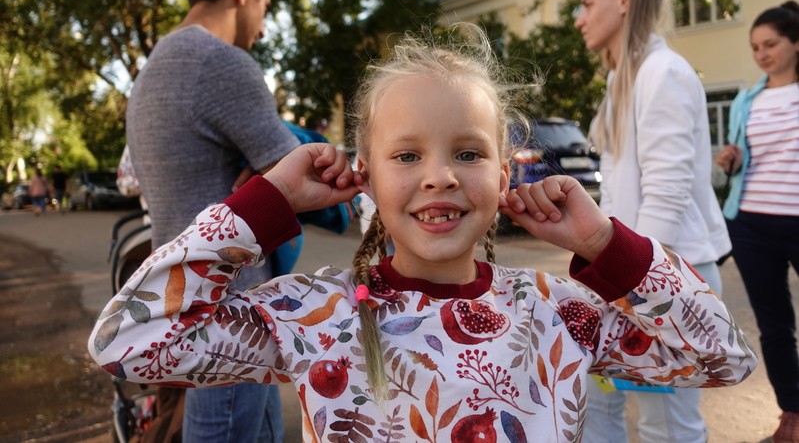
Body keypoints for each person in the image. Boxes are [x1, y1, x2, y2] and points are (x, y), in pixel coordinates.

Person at [89, 26, 756, 441]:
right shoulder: (313, 315)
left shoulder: (559, 313)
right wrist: (264, 201)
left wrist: (607, 243)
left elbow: (721, 356)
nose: (438, 175)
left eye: (466, 153)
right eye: (406, 156)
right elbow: (126, 341)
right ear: (366, 176)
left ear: (503, 175)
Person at [125, 0, 300, 443]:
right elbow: (299, 172)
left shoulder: (154, 66)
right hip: (231, 311)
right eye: (265, 8)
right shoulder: (219, 62)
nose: (264, 28)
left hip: (183, 305)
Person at [573, 0, 732, 443]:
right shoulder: (623, 77)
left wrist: (636, 283)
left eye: (585, 3)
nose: (578, 18)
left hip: (663, 277)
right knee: (597, 402)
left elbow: (667, 191)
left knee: (668, 426)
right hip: (628, 273)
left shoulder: (663, 71)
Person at [714, 0, 799, 443]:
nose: (762, 53)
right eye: (755, 47)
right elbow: (741, 158)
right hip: (751, 224)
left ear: (795, 43)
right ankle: (793, 412)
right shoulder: (749, 98)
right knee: (774, 323)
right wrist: (730, 159)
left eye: (771, 44)